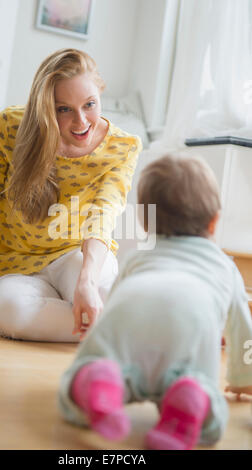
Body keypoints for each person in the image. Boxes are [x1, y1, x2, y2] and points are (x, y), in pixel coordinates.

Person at [58, 154, 252, 450]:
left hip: (132, 309)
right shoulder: (226, 268)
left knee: (100, 366)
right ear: (214, 222)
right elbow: (243, 332)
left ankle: (100, 379)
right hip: (191, 318)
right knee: (201, 393)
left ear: (145, 224)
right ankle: (190, 397)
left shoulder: (137, 258)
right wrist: (244, 377)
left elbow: (114, 304)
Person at [0, 48, 142, 342]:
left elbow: (103, 216)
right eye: (63, 109)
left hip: (77, 256)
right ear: (44, 108)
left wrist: (86, 283)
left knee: (103, 292)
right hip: (17, 269)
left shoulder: (123, 147)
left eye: (90, 104)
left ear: (100, 92)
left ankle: (107, 318)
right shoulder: (8, 128)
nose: (81, 122)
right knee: (9, 312)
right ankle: (113, 327)